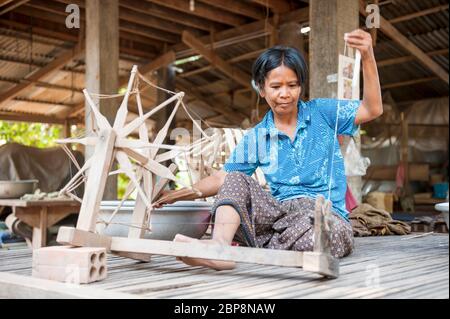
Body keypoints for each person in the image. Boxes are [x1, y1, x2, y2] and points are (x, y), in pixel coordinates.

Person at [154, 29, 382, 270]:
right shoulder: (257, 136)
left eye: (292, 85)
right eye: (276, 87)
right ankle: (219, 247)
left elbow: (372, 109)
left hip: (325, 215)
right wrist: (177, 194)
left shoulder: (322, 113)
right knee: (236, 179)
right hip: (280, 215)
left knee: (322, 238)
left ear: (300, 87)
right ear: (262, 89)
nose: (285, 94)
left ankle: (267, 247)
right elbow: (222, 178)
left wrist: (367, 55)